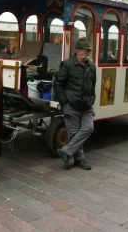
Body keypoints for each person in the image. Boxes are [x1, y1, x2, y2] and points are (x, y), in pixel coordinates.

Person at [53, 38, 96, 170]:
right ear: (77, 51)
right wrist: (64, 102)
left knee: (89, 128)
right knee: (74, 133)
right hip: (71, 105)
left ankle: (66, 151)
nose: (86, 53)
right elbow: (58, 84)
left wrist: (92, 98)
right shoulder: (67, 64)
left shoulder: (91, 65)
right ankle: (79, 160)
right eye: (84, 50)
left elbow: (93, 83)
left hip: (87, 105)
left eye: (87, 51)